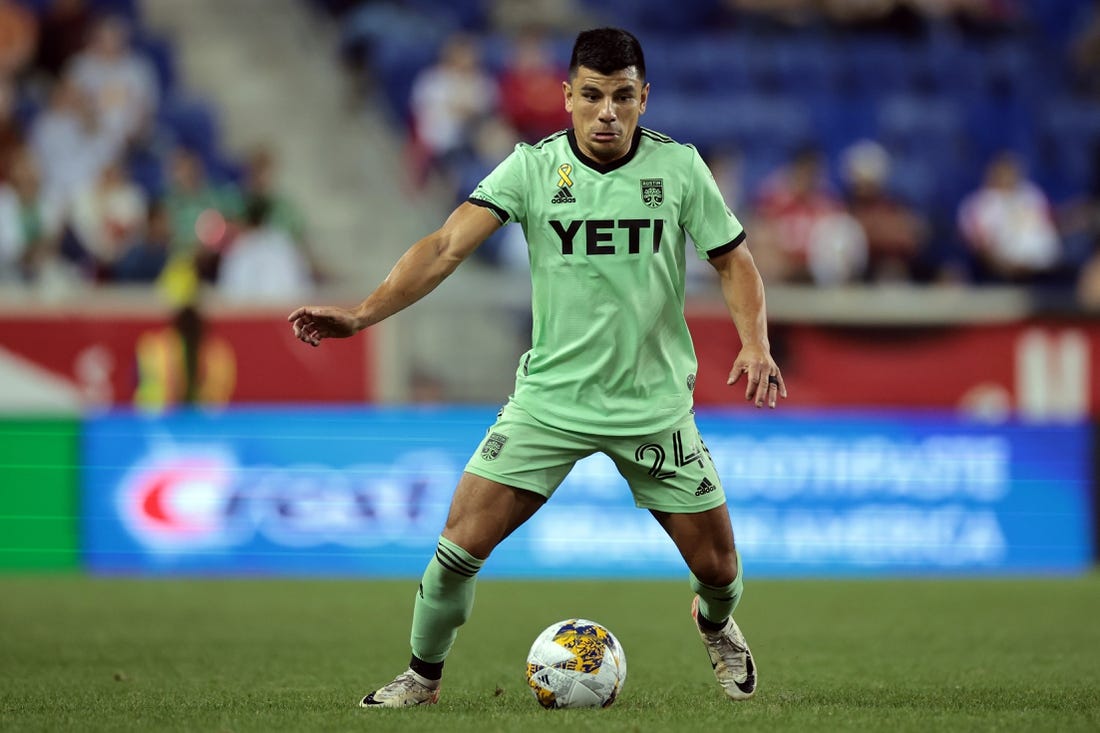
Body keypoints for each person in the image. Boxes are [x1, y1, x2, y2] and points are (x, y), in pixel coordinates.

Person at [288, 27, 786, 708]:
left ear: (644, 98)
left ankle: (715, 621)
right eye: (591, 95)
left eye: (621, 96)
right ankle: (422, 679)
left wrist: (754, 342)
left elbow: (734, 260)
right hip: (549, 401)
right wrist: (361, 314)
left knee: (719, 567)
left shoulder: (678, 169)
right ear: (567, 96)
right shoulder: (531, 168)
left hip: (652, 403)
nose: (606, 110)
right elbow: (442, 247)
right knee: (458, 544)